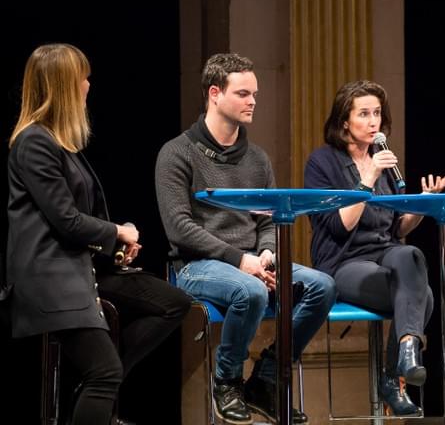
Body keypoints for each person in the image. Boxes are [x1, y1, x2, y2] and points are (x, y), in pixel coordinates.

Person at [5, 43, 191, 425]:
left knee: (172, 302)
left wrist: (115, 244)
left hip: (81, 268)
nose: (88, 85)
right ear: (64, 85)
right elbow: (66, 221)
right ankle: (101, 382)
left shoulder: (61, 143)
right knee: (105, 372)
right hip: (51, 279)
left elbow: (78, 220)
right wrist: (117, 231)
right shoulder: (34, 142)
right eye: (83, 78)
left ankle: (99, 385)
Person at [155, 53, 336, 425]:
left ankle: (266, 378)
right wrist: (240, 261)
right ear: (215, 94)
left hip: (254, 261)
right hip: (196, 265)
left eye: (254, 93)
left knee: (322, 286)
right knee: (250, 291)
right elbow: (179, 228)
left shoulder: (257, 159)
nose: (252, 101)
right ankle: (228, 380)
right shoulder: (177, 153)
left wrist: (267, 252)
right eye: (243, 93)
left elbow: (267, 219)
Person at [303, 80, 445, 416]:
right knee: (424, 296)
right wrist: (366, 179)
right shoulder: (323, 162)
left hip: (384, 252)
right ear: (344, 122)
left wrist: (422, 205)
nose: (373, 122)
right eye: (364, 114)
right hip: (343, 261)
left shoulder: (382, 162)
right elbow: (340, 226)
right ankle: (394, 376)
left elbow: (396, 228)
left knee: (411, 254)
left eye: (377, 114)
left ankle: (405, 351)